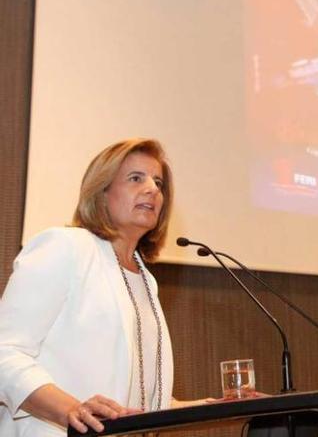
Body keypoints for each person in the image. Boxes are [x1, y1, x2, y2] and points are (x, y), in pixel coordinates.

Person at [0, 139, 205, 436]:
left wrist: (213, 405)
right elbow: (4, 352)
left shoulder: (145, 280)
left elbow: (133, 400)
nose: (153, 189)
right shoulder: (66, 247)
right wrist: (71, 409)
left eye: (158, 182)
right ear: (102, 191)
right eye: (136, 178)